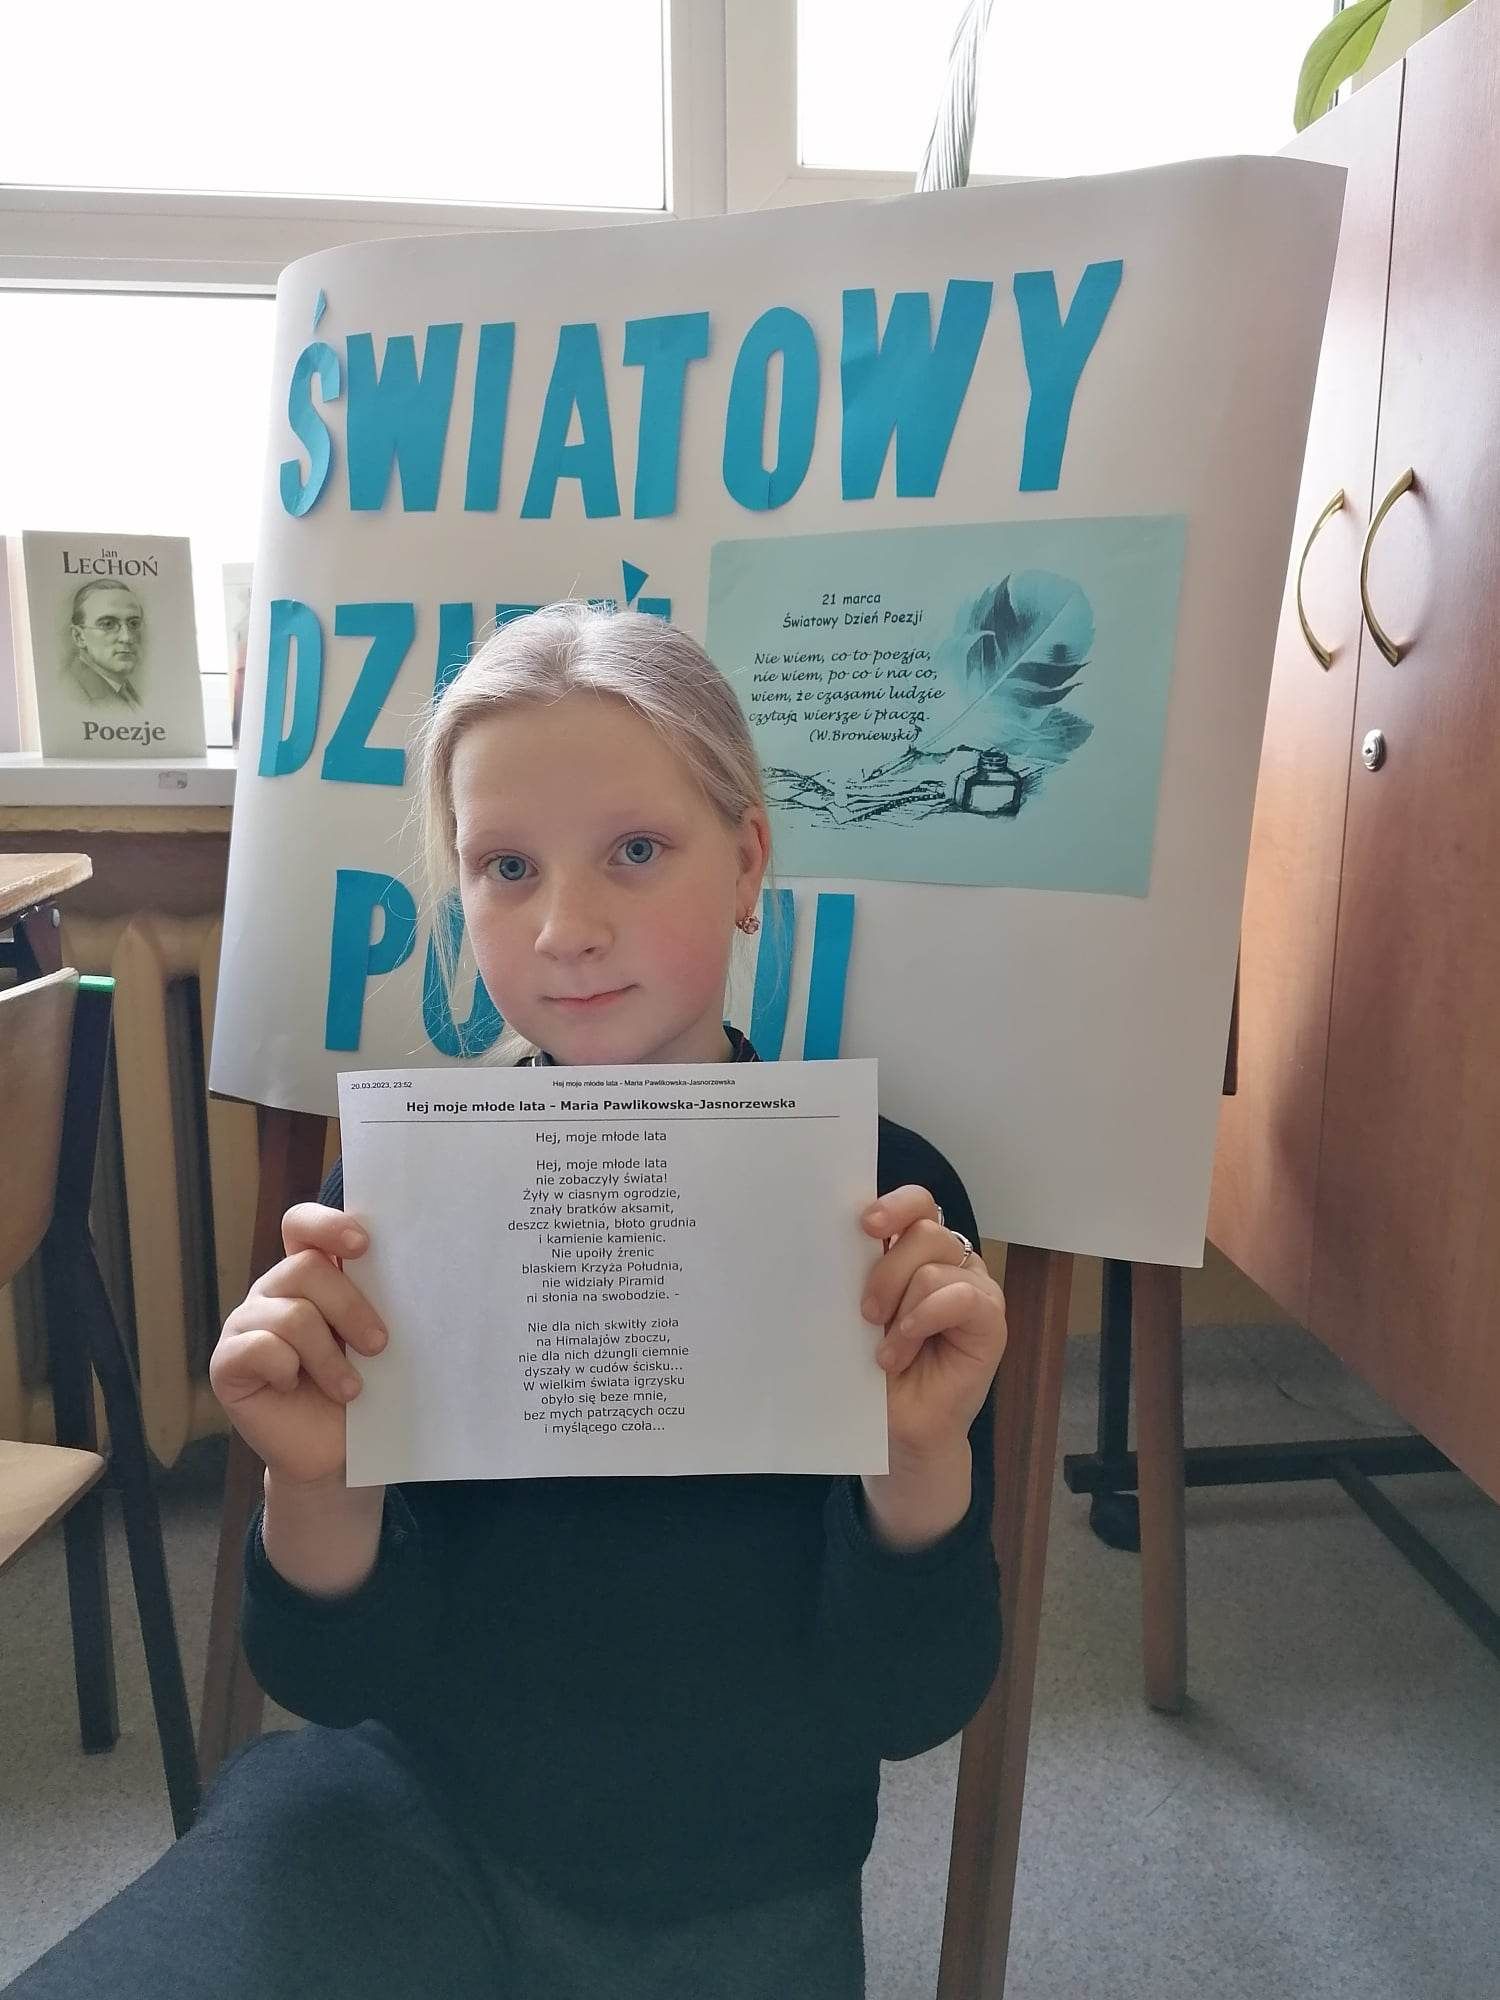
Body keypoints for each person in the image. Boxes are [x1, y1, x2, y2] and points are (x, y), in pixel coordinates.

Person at [5, 602, 1008, 2000]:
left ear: (746, 862)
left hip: (743, 1873)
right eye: (507, 866)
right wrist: (317, 1481)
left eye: (636, 851)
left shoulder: (886, 1209)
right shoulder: (402, 1197)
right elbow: (326, 1675)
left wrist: (919, 1459)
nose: (567, 929)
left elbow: (914, 1699)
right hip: (415, 1823)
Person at [61, 581, 147, 707]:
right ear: (79, 636)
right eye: (108, 624)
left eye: (134, 624)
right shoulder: (70, 693)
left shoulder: (125, 689)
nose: (127, 638)